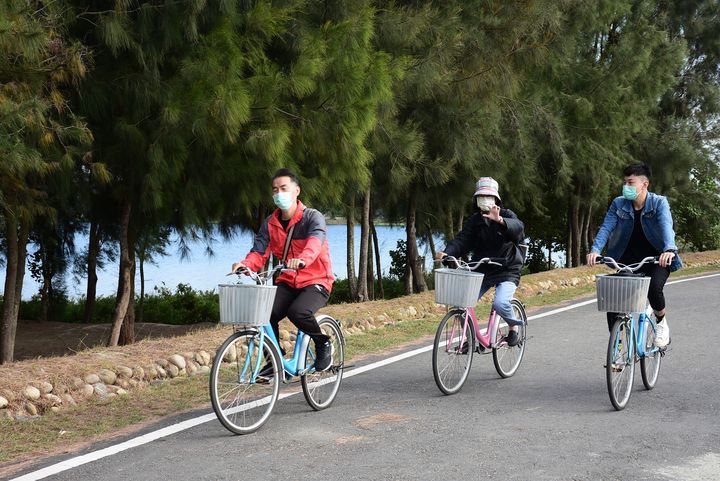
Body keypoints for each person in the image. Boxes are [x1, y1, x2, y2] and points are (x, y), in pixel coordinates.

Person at [232, 168, 334, 372]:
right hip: (288, 280)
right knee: (263, 313)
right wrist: (246, 264)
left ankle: (323, 343)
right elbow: (258, 252)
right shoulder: (270, 223)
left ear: (296, 190)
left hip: (317, 280)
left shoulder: (312, 218)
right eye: (275, 190)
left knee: (298, 312)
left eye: (283, 188)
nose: (279, 193)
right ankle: (275, 361)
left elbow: (314, 244)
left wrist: (303, 260)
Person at [586, 163, 682, 347]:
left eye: (630, 182)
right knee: (614, 296)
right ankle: (618, 344)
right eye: (624, 182)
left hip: (657, 259)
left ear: (644, 184)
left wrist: (669, 249)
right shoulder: (618, 203)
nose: (626, 187)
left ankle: (661, 322)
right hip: (627, 261)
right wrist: (596, 250)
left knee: (654, 287)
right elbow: (607, 227)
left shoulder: (659, 202)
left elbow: (666, 226)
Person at [436, 177, 526, 346]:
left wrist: (499, 220)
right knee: (461, 302)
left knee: (500, 303)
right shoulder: (475, 221)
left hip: (507, 269)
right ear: (476, 200)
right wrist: (447, 253)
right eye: (481, 196)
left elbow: (518, 229)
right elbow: (463, 240)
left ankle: (514, 325)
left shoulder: (506, 215)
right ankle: (468, 340)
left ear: (496, 199)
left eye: (488, 196)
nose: (484, 199)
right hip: (482, 270)